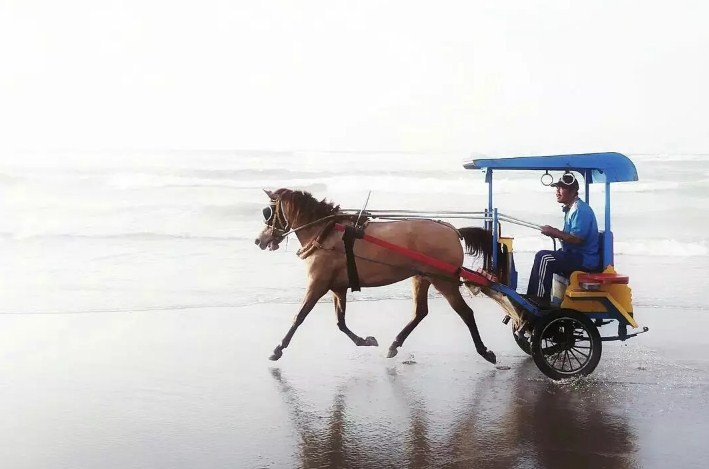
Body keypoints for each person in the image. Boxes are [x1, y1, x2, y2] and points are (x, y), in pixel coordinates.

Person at [526, 172, 600, 302]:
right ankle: (532, 296)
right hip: (575, 255)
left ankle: (539, 299)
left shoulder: (580, 210)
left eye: (561, 188)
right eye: (556, 188)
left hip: (584, 260)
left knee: (544, 258)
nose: (557, 191)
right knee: (542, 256)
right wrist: (554, 232)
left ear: (573, 191)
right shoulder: (571, 209)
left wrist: (554, 232)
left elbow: (577, 239)